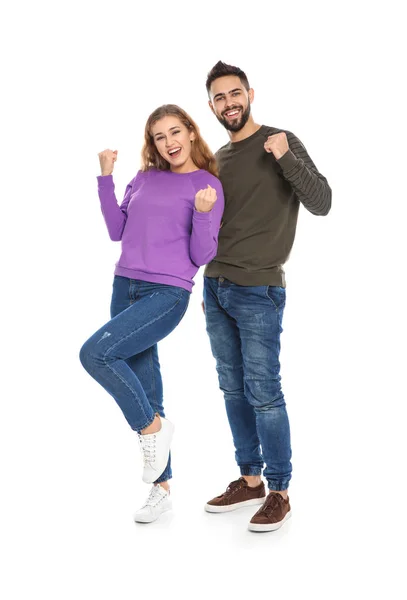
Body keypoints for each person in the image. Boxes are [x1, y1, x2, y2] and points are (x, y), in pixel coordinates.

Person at [202, 61, 332, 532]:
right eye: (219, 97)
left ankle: (279, 490)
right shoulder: (216, 158)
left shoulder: (281, 140)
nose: (229, 103)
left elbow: (322, 202)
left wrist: (286, 158)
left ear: (250, 94)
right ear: (212, 106)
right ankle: (250, 479)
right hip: (215, 288)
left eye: (235, 94)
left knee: (264, 393)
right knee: (231, 388)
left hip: (259, 289)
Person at [79, 104, 224, 524]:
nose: (169, 143)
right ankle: (161, 489)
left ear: (191, 134)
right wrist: (105, 177)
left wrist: (201, 211)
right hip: (124, 286)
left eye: (175, 132)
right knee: (145, 381)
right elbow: (115, 229)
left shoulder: (207, 184)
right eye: (160, 137)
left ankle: (152, 428)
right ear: (153, 142)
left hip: (168, 292)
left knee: (96, 355)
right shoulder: (144, 177)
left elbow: (202, 255)